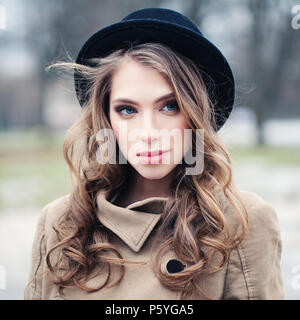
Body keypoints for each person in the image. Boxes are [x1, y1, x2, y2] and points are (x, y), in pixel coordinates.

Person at [24, 7, 284, 300]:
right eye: (127, 110)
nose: (148, 133)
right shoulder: (61, 224)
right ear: (106, 120)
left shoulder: (241, 223)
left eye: (169, 106)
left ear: (195, 113)